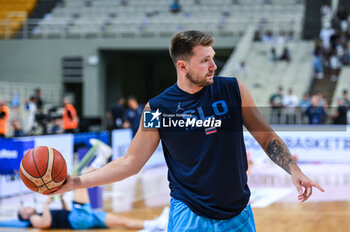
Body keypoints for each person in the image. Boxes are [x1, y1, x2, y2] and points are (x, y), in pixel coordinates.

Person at [51, 31, 324, 231]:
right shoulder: (158, 108)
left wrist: (294, 170)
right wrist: (76, 183)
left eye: (213, 58)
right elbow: (131, 162)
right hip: (188, 213)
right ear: (182, 66)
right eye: (205, 60)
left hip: (238, 212)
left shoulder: (232, 89)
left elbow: (265, 135)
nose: (214, 66)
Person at [17, 141, 169, 231]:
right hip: (77, 218)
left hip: (82, 217)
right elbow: (46, 223)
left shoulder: (39, 212)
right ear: (25, 217)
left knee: (121, 221)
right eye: (24, 210)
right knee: (80, 180)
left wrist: (62, 200)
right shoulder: (34, 219)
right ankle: (101, 157)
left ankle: (156, 224)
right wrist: (46, 205)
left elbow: (60, 213)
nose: (27, 208)